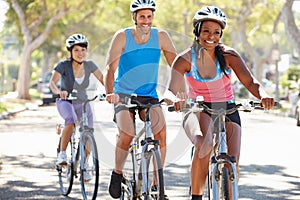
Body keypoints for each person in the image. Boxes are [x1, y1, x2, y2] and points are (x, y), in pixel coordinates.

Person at [167, 6, 275, 200]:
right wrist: (174, 99)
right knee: (204, 145)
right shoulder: (184, 59)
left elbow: (250, 82)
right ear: (197, 31)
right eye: (206, 31)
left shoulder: (228, 55)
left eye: (216, 32)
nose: (211, 36)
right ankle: (196, 196)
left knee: (232, 161)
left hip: (228, 108)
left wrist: (263, 95)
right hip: (198, 109)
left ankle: (230, 193)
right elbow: (170, 90)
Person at [105, 0, 177, 198]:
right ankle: (117, 173)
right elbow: (110, 68)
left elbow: (177, 66)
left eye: (149, 16)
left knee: (160, 133)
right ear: (134, 17)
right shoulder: (122, 36)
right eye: (142, 16)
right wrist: (110, 93)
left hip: (149, 95)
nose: (146, 21)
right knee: (127, 134)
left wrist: (177, 93)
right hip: (123, 94)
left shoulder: (161, 36)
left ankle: (156, 184)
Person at [49, 33, 104, 180]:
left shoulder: (90, 65)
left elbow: (104, 80)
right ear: (71, 52)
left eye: (83, 50)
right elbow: (52, 83)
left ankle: (85, 165)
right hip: (66, 102)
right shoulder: (63, 66)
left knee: (89, 131)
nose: (80, 53)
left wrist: (109, 92)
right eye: (76, 50)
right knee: (71, 121)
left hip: (83, 102)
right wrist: (59, 92)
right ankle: (62, 153)